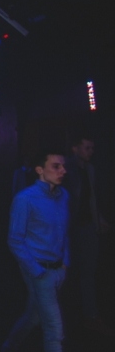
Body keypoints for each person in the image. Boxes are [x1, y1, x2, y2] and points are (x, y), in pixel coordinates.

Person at [1, 150, 107, 352]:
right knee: (54, 332)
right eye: (56, 166)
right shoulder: (25, 199)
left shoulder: (64, 196)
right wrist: (37, 271)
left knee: (34, 316)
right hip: (40, 273)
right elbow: (15, 240)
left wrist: (65, 263)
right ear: (40, 170)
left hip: (57, 270)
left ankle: (7, 351)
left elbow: (63, 233)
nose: (63, 171)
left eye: (63, 166)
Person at [64, 135, 112, 336]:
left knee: (88, 271)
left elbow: (90, 197)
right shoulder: (66, 169)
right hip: (68, 229)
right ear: (75, 148)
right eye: (87, 148)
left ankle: (90, 316)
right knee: (67, 273)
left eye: (92, 148)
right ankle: (66, 318)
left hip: (86, 227)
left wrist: (98, 218)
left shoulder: (89, 169)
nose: (91, 151)